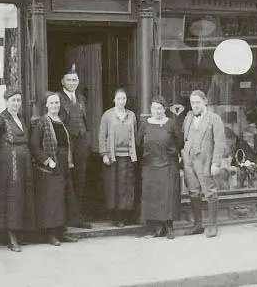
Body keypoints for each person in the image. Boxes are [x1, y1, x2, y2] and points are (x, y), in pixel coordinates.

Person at [30, 91, 80, 246]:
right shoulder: (42, 122)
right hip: (51, 165)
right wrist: (47, 160)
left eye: (57, 103)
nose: (55, 106)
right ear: (46, 105)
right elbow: (34, 146)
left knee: (63, 197)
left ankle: (61, 231)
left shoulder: (61, 120)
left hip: (64, 162)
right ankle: (50, 234)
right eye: (51, 103)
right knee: (52, 200)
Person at [0, 89, 34, 252]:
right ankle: (10, 236)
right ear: (6, 101)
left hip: (23, 162)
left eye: (18, 101)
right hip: (8, 165)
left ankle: (20, 232)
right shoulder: (0, 120)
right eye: (13, 100)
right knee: (11, 197)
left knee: (22, 195)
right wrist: (3, 157)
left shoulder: (21, 118)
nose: (16, 104)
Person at [181, 90, 227, 238]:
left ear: (205, 102)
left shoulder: (214, 119)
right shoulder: (188, 117)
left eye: (198, 102)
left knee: (210, 192)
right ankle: (197, 225)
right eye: (192, 102)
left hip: (205, 162)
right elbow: (184, 137)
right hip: (189, 161)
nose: (195, 105)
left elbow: (219, 143)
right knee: (193, 191)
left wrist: (216, 163)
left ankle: (212, 226)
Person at [137, 95, 183, 239]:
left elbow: (180, 142)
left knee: (168, 196)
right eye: (154, 108)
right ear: (150, 109)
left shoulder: (171, 123)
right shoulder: (144, 123)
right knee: (154, 197)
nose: (157, 111)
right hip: (150, 165)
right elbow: (139, 142)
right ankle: (157, 228)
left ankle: (169, 227)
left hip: (169, 165)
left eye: (159, 108)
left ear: (164, 109)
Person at [58, 65, 93, 228]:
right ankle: (65, 218)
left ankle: (78, 217)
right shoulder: (58, 98)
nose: (72, 82)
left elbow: (85, 120)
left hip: (81, 142)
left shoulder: (81, 98)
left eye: (75, 80)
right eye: (69, 80)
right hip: (66, 143)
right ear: (63, 82)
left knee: (80, 179)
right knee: (67, 179)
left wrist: (87, 138)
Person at [98, 87, 138, 226]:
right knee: (113, 186)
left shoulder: (131, 115)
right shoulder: (107, 115)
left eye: (124, 98)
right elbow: (102, 135)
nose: (122, 101)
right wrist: (104, 154)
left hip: (127, 156)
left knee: (126, 187)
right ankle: (116, 217)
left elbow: (135, 135)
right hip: (112, 156)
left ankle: (125, 215)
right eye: (119, 98)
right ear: (114, 100)